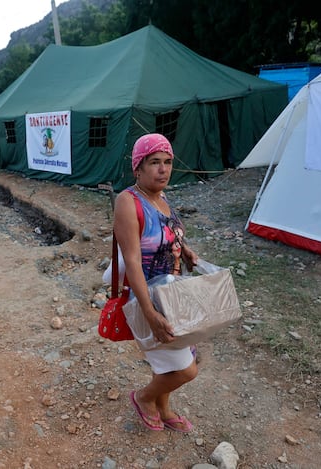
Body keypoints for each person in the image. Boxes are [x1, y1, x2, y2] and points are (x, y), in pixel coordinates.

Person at [113, 133, 199, 433]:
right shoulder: (128, 201)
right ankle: (143, 397)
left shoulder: (161, 197)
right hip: (148, 298)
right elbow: (133, 261)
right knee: (187, 369)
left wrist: (184, 249)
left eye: (167, 162)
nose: (163, 169)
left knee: (174, 362)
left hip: (173, 294)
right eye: (154, 163)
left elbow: (168, 233)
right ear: (138, 168)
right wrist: (150, 314)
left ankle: (164, 408)